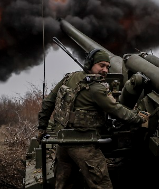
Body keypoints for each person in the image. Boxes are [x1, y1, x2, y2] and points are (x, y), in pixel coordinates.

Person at [37, 49, 149, 189]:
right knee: (102, 185)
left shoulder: (69, 78)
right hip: (84, 145)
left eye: (107, 67)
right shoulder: (96, 88)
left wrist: (42, 127)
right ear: (90, 64)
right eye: (101, 65)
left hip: (63, 143)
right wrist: (139, 119)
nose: (105, 70)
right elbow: (117, 111)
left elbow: (48, 102)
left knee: (63, 185)